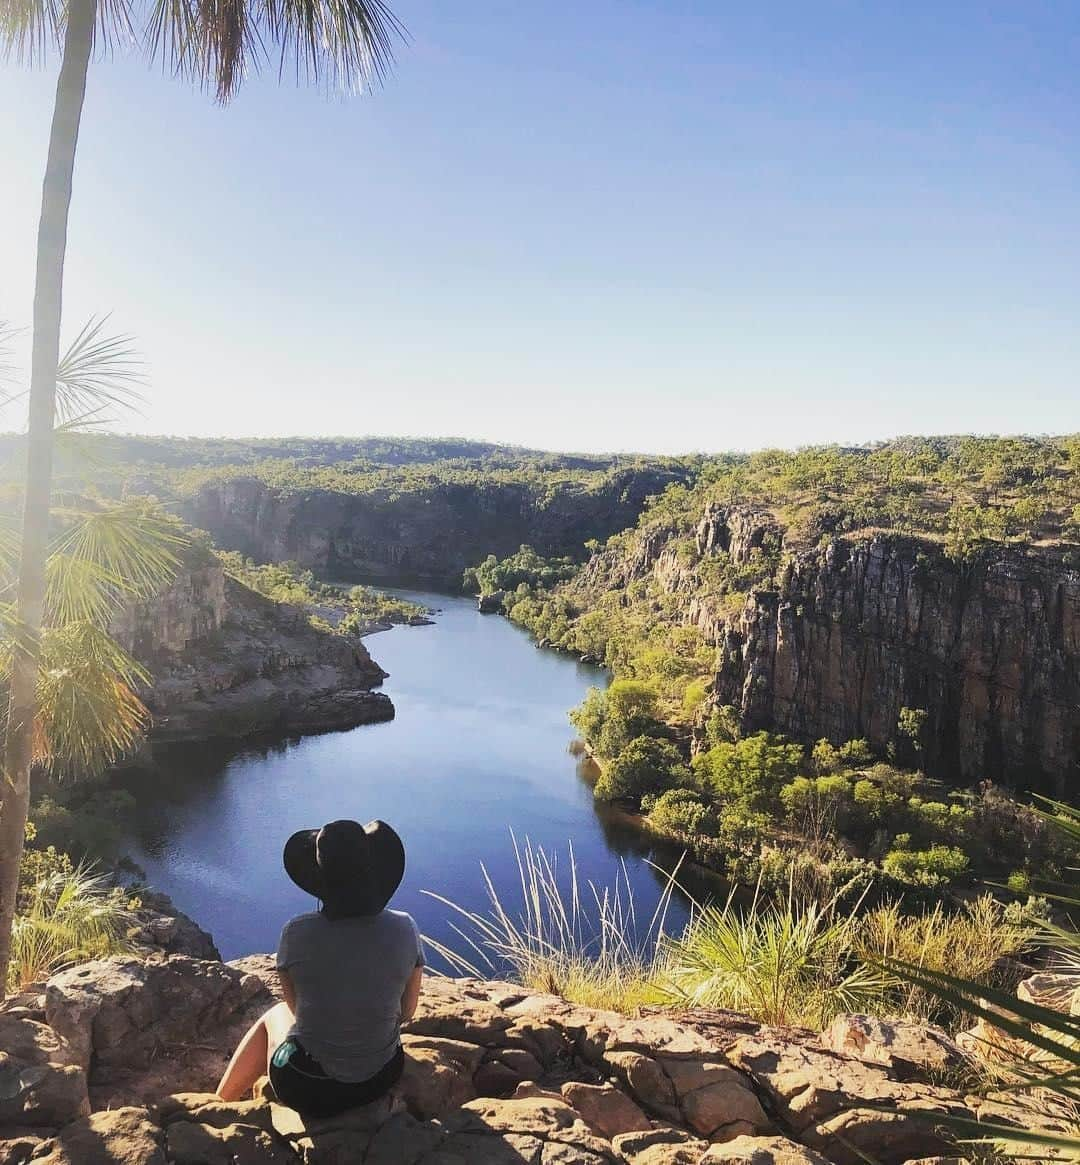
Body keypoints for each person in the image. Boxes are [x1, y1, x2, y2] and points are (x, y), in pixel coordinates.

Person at [216, 819, 424, 1117]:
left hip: (307, 1085)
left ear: (320, 879)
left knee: (273, 1015)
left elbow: (298, 1012)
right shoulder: (405, 928)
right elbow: (407, 1012)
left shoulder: (297, 933)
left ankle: (220, 1105)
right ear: (375, 873)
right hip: (380, 1078)